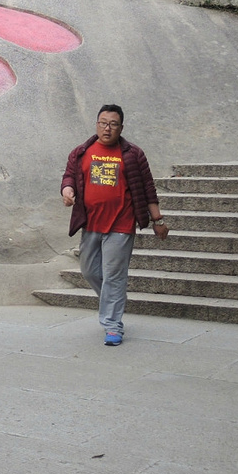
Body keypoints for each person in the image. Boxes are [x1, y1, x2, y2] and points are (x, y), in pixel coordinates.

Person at [61, 105, 168, 347]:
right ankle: (113, 300)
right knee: (89, 271)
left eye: (113, 124)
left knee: (114, 276)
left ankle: (112, 325)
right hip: (91, 223)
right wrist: (67, 190)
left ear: (121, 127)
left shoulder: (133, 154)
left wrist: (157, 220)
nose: (107, 128)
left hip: (121, 223)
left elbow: (148, 188)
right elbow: (69, 176)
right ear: (96, 124)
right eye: (103, 122)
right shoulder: (81, 152)